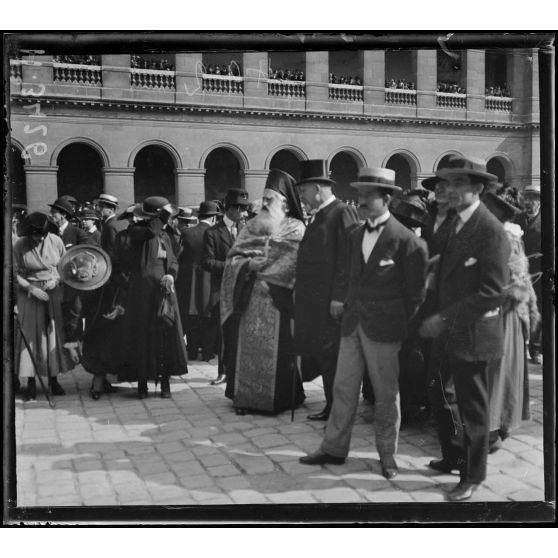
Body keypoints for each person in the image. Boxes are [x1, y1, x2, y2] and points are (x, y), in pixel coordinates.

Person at [299, 168, 428, 479]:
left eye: (367, 197)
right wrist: (342, 300)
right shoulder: (355, 234)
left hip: (385, 331)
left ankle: (387, 456)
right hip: (351, 326)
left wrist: (396, 325)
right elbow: (346, 273)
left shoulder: (407, 242)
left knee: (386, 395)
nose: (360, 202)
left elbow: (416, 297)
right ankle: (333, 448)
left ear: (386, 199)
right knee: (343, 389)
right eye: (359, 196)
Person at [419, 155, 510, 501]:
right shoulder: (456, 222)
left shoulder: (490, 230)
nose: (451, 190)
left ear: (478, 188)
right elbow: (454, 269)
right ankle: (453, 456)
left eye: (459, 184)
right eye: (449, 183)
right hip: (450, 331)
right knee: (438, 391)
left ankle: (472, 476)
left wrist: (442, 318)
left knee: (473, 411)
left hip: (474, 336)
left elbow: (492, 292)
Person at [220, 170, 306, 415]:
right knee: (246, 348)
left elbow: (293, 261)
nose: (266, 204)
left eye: (272, 200)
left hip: (277, 300)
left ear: (286, 204)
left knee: (279, 351)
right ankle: (245, 398)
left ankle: (279, 399)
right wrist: (248, 265)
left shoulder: (296, 227)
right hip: (248, 298)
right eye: (264, 199)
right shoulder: (251, 225)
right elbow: (232, 259)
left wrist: (268, 267)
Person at [294, 159, 359, 421]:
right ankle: (332, 404)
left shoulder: (342, 212)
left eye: (304, 191)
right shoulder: (321, 215)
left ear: (318, 188)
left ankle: (338, 408)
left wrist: (338, 297)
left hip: (332, 303)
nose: (302, 196)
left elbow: (348, 258)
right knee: (326, 355)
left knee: (334, 357)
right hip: (316, 303)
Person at [482, 191, 540, 452]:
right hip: (498, 311)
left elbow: (515, 280)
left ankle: (495, 428)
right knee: (496, 370)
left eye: (490, 207)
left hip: (505, 314)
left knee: (499, 370)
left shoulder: (507, 236)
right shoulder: (494, 233)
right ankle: (497, 425)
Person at [116, 196, 188, 399]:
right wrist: (163, 215)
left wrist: (170, 275)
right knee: (142, 337)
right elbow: (150, 232)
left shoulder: (166, 235)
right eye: (164, 217)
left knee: (164, 337)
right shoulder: (139, 232)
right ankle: (142, 384)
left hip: (163, 291)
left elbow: (174, 260)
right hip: (142, 293)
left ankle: (164, 383)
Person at [13, 212, 74, 400]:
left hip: (52, 292)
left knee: (52, 335)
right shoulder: (20, 245)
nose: (39, 238)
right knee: (30, 336)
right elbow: (13, 273)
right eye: (35, 235)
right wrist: (30, 287)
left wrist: (56, 279)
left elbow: (66, 265)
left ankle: (53, 380)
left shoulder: (55, 240)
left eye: (42, 235)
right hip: (29, 294)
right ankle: (31, 382)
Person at [202, 188, 250, 385]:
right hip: (222, 290)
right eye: (241, 209)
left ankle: (239, 369)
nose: (244, 213)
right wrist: (233, 267)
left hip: (244, 289)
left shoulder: (245, 230)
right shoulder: (212, 232)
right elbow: (207, 261)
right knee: (224, 332)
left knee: (241, 330)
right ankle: (223, 371)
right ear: (231, 209)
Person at [176, 201, 221, 361]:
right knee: (208, 316)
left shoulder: (187, 233)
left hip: (190, 279)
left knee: (191, 315)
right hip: (209, 278)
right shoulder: (216, 233)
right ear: (214, 218)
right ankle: (208, 352)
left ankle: (192, 350)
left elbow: (180, 257)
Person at [514, 184, 542, 364]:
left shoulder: (548, 220)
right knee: (517, 308)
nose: (529, 202)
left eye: (533, 199)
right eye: (527, 198)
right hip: (519, 273)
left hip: (539, 272)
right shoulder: (516, 218)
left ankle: (536, 348)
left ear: (540, 202)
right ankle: (517, 346)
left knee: (538, 310)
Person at [94, 193, 128, 262]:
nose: (99, 209)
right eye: (99, 206)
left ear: (111, 209)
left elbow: (110, 251)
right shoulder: (117, 222)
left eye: (102, 207)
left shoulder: (110, 226)